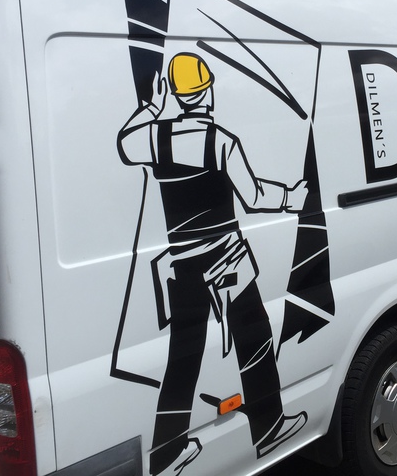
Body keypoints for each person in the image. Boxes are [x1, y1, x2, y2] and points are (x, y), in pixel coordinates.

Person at [117, 52, 308, 475]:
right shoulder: (220, 141)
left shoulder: (157, 138)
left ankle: (167, 453)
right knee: (254, 338)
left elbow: (124, 144)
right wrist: (291, 198)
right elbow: (253, 196)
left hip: (183, 265)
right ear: (208, 91)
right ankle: (269, 427)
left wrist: (152, 107)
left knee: (183, 356)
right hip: (225, 259)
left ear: (176, 94)